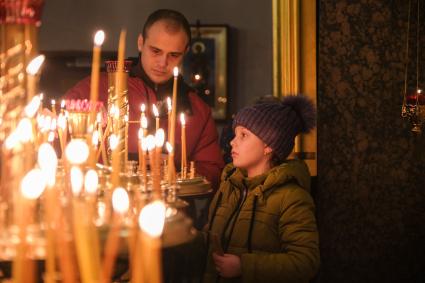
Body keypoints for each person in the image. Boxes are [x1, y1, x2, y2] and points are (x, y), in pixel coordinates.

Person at [65, 9, 224, 190]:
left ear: (186, 52)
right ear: (141, 43)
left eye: (173, 55)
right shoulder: (94, 88)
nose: (163, 63)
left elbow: (213, 172)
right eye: (155, 51)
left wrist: (178, 169)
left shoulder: (197, 109)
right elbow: (57, 143)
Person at [202, 95, 320, 283]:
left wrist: (244, 266)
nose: (232, 142)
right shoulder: (229, 187)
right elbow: (209, 238)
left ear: (268, 145)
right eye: (235, 134)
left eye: (244, 135)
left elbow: (305, 262)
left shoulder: (291, 197)